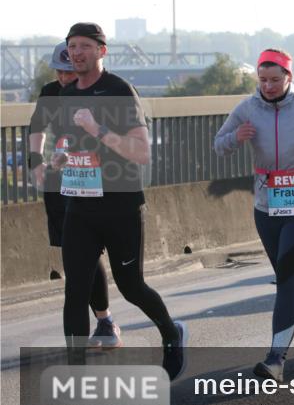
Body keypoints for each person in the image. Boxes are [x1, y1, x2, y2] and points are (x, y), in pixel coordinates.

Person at [50, 23, 187, 378]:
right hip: (79, 207)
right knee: (75, 292)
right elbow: (69, 140)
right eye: (71, 47)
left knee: (132, 288)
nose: (76, 53)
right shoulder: (66, 96)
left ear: (101, 51)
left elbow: (141, 153)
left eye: (84, 46)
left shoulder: (119, 91)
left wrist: (98, 130)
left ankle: (171, 333)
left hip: (120, 207)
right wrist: (61, 156)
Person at [215, 48, 294, 381]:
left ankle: (276, 358)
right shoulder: (246, 107)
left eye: (275, 80)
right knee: (291, 277)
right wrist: (235, 137)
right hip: (267, 206)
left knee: (285, 277)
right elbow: (219, 145)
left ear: (289, 78)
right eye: (263, 80)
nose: (268, 86)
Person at [29, 42, 119, 349]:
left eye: (69, 71)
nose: (64, 77)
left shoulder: (98, 91)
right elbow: (38, 128)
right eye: (60, 71)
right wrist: (36, 160)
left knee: (88, 252)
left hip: (91, 180)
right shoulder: (50, 92)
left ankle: (104, 320)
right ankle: (97, 325)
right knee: (72, 251)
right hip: (59, 181)